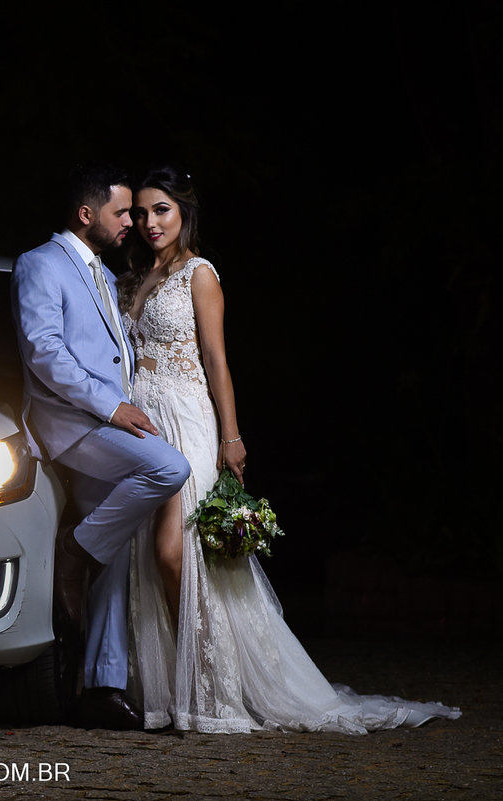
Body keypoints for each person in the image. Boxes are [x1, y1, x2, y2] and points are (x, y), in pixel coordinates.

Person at [119, 165, 461, 732]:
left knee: (175, 554)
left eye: (163, 210)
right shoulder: (136, 278)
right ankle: (170, 692)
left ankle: (207, 684)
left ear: (185, 213)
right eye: (144, 211)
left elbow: (216, 361)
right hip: (144, 424)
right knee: (150, 562)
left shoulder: (198, 274)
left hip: (186, 418)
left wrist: (232, 435)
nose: (152, 222)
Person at [12, 163, 191, 729]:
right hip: (74, 426)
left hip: (106, 424)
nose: (131, 224)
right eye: (122, 213)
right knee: (168, 468)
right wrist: (113, 407)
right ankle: (76, 549)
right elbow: (44, 351)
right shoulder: (40, 264)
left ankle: (102, 688)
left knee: (113, 545)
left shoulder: (107, 276)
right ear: (87, 214)